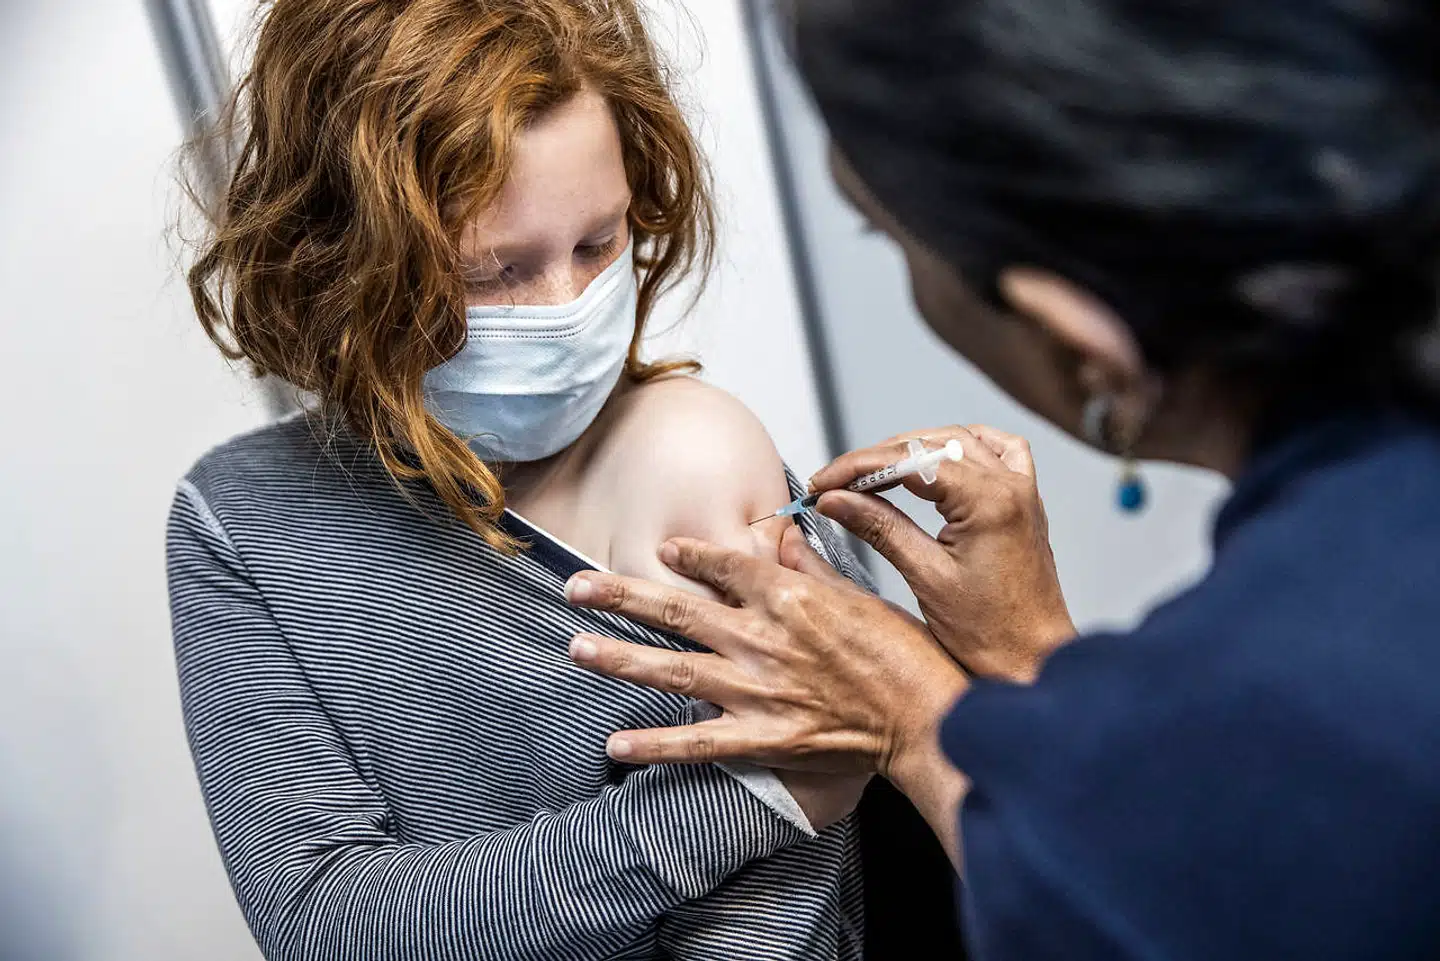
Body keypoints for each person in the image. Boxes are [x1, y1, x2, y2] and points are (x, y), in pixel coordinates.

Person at [560, 0, 1440, 957]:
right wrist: (1029, 654)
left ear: (1080, 343)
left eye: (886, 240)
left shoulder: (1304, 688)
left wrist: (916, 717)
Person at [167, 1, 956, 958]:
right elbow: (326, 919)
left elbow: (773, 922)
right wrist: (748, 802)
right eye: (492, 273)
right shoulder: (240, 518)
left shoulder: (689, 453)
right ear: (348, 259)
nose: (568, 310)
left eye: (599, 242)